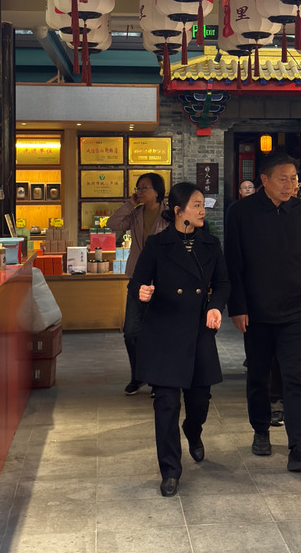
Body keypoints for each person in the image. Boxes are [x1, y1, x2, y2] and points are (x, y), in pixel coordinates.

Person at [225, 152, 301, 473]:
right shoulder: (241, 212)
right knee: (258, 375)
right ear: (264, 180)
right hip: (257, 311)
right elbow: (234, 264)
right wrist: (238, 307)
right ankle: (261, 430)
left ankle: (300, 447)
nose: (289, 185)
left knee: (296, 377)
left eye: (293, 179)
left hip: (296, 309)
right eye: (283, 178)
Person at [129, 182, 228, 497]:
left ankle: (193, 431)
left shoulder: (210, 244)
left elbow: (223, 283)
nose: (202, 210)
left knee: (199, 401)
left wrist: (215, 307)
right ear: (178, 210)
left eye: (202, 204)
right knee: (167, 404)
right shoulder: (158, 244)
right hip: (164, 331)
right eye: (196, 205)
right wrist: (143, 291)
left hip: (198, 331)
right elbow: (137, 281)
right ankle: (170, 470)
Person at [107, 172, 168, 395]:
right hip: (138, 277)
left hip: (163, 279)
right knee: (131, 332)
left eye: (144, 188)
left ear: (157, 191)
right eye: (138, 188)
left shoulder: (169, 214)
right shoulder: (136, 213)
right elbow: (113, 224)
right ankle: (138, 375)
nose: (140, 192)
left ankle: (158, 378)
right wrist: (130, 204)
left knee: (159, 331)